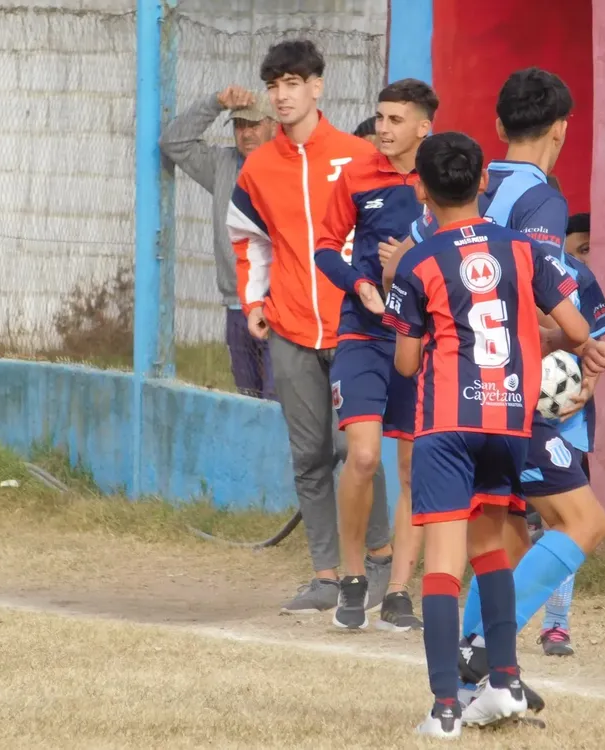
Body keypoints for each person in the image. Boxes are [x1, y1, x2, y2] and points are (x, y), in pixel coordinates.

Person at [382, 67, 605, 704]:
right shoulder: (542, 200)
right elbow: (532, 303)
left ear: (496, 129)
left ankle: (484, 660)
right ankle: (482, 648)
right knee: (584, 521)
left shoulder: (459, 175)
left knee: (505, 534)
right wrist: (574, 348)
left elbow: (401, 259)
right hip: (511, 391)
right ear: (563, 130)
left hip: (450, 390)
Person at [227, 40, 394, 614]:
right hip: (290, 329)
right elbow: (250, 241)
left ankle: (378, 562)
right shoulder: (257, 166)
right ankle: (326, 575)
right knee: (309, 457)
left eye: (293, 83)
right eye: (274, 86)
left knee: (358, 451)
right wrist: (255, 301)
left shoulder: (359, 156)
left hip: (354, 329)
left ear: (317, 87)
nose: (281, 95)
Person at [313, 78, 438, 631]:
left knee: (414, 467)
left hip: (421, 338)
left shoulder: (443, 179)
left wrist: (412, 259)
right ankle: (352, 576)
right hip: (363, 332)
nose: (382, 129)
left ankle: (400, 592)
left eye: (394, 120)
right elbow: (323, 244)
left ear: (423, 127)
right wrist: (359, 284)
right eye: (380, 118)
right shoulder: (358, 174)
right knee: (362, 457)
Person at [159, 85, 278, 399]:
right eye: (239, 125)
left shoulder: (290, 165)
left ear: (273, 126)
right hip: (236, 305)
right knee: (246, 399)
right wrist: (216, 103)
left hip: (280, 305)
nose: (245, 133)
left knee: (277, 401)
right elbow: (173, 142)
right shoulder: (223, 165)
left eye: (253, 125)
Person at [537, 213, 605, 656]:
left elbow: (600, 348)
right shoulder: (502, 263)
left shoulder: (577, 277)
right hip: (504, 413)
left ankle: (556, 624)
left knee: (563, 521)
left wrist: (585, 389)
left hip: (565, 422)